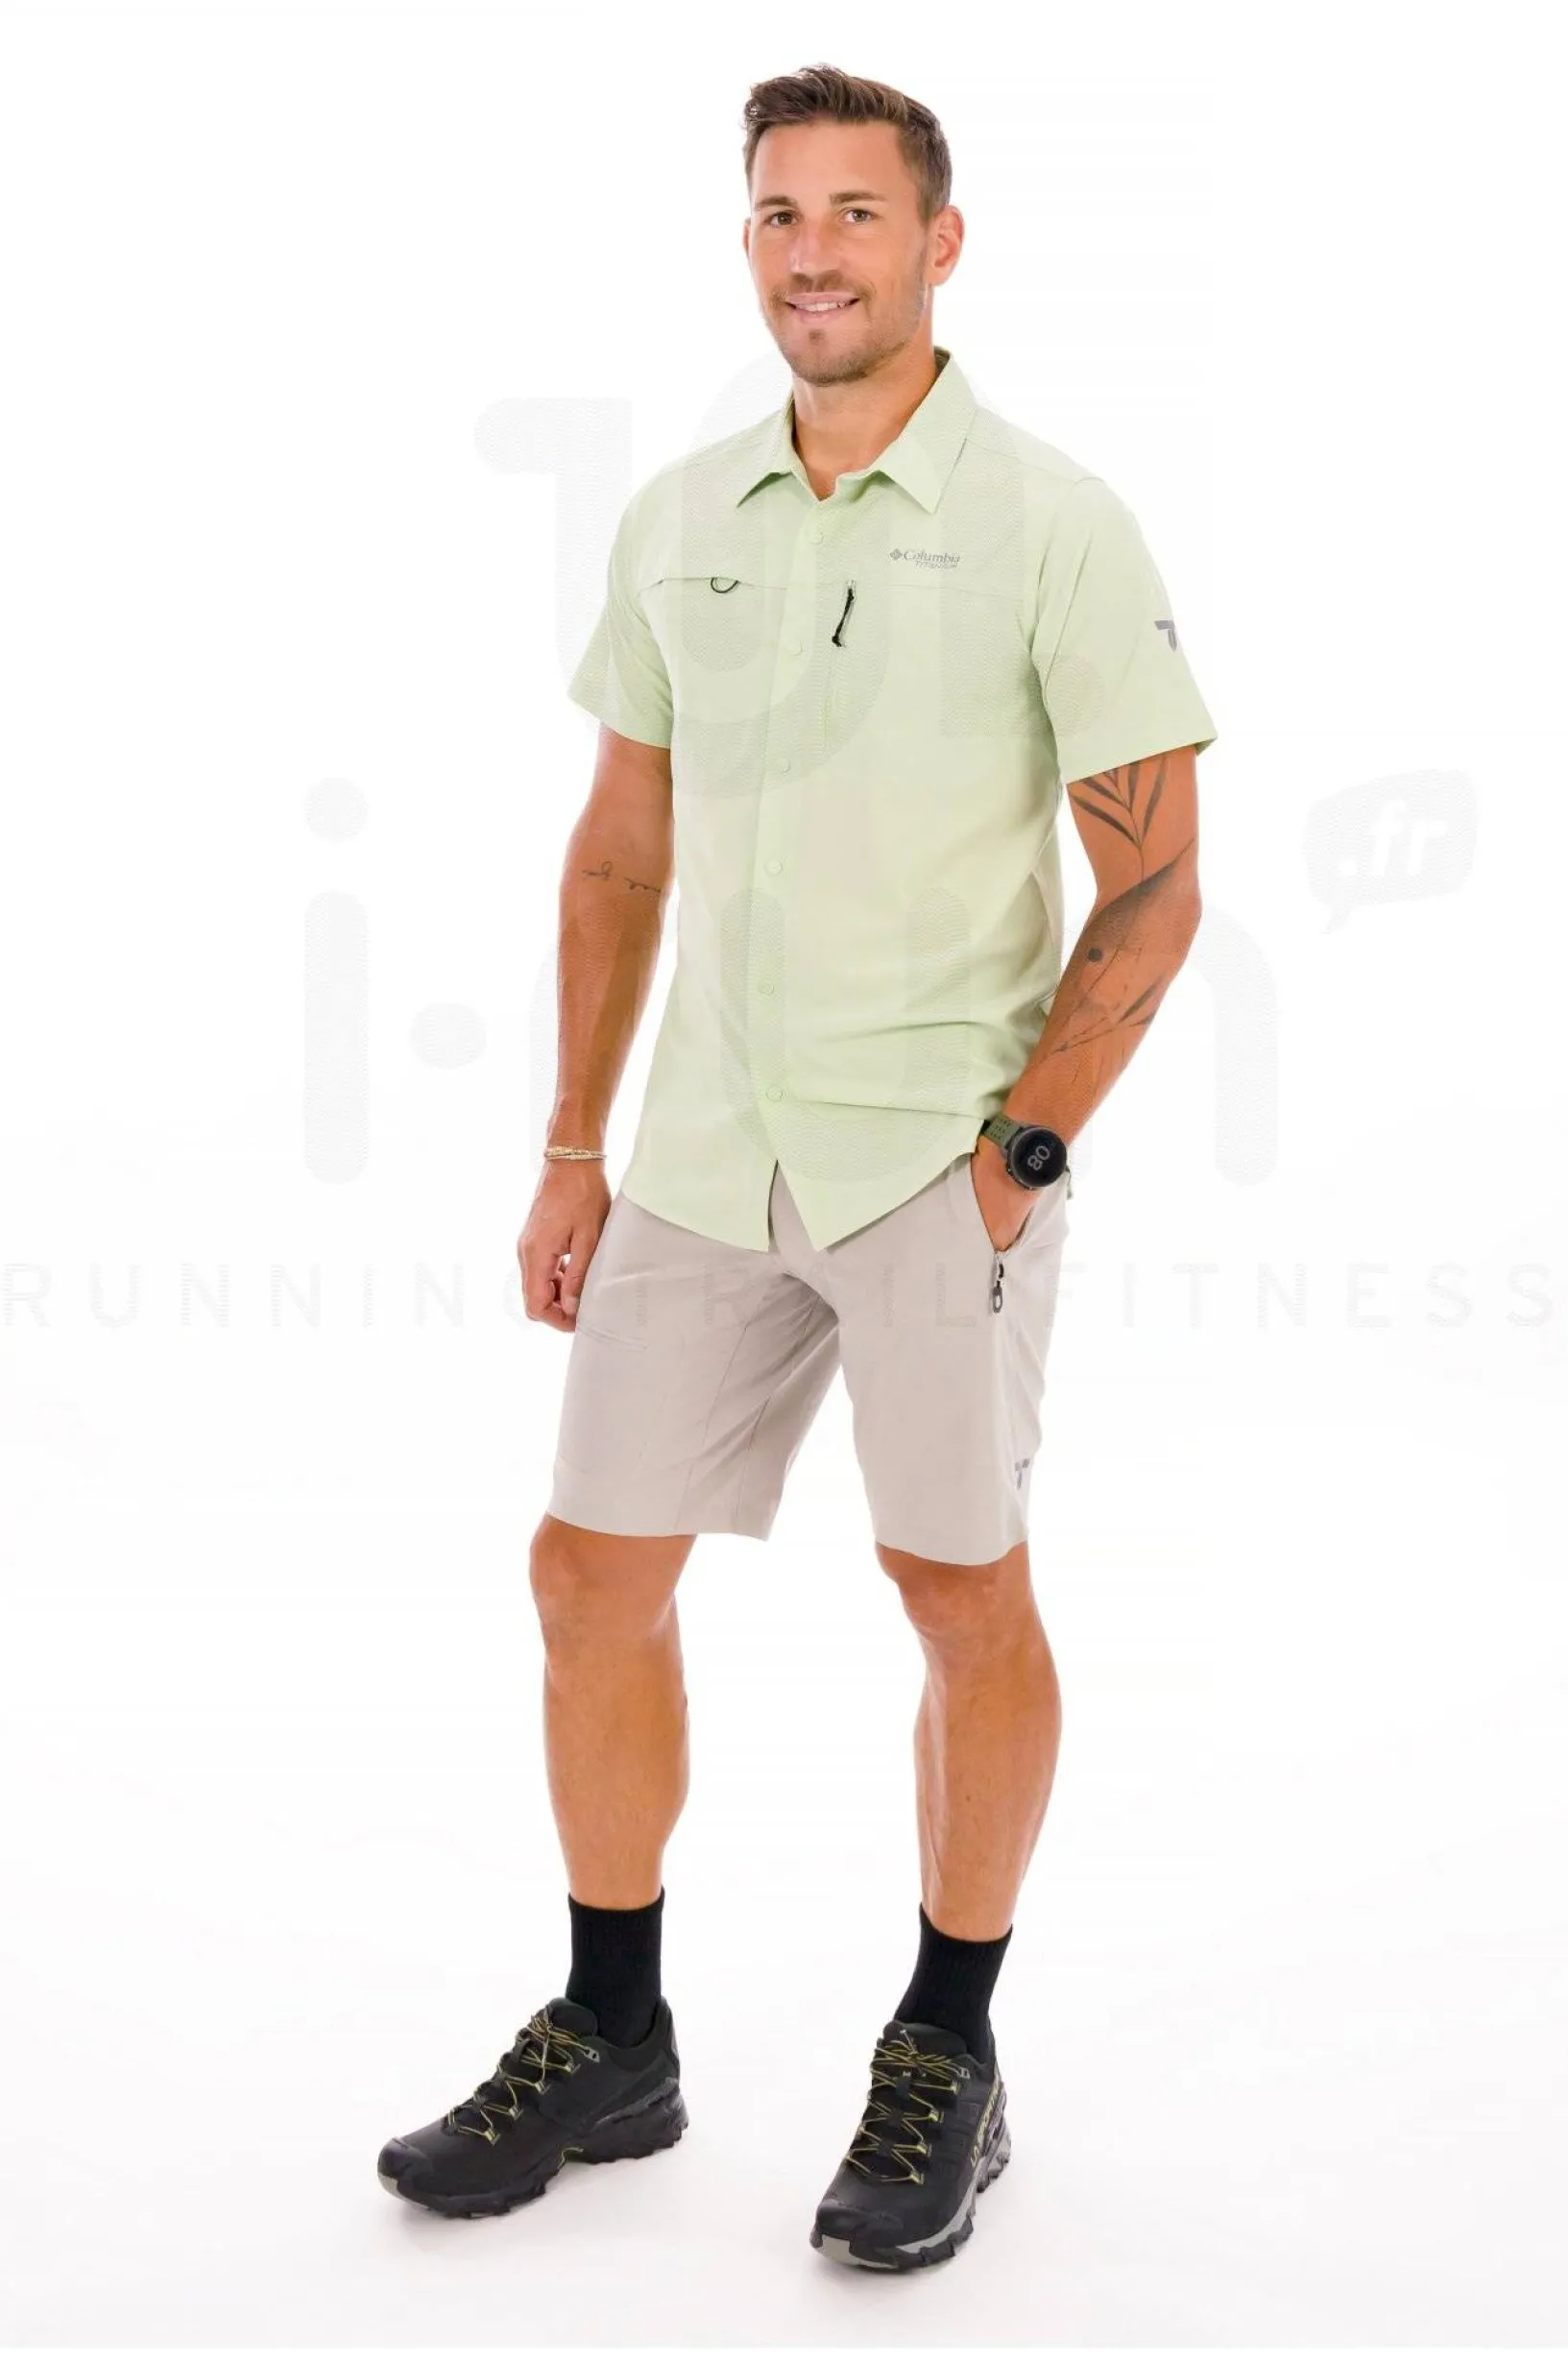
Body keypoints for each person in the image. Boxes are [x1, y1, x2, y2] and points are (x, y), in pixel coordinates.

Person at [378, 60, 1218, 2273]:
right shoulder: (683, 512)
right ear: (744, 240)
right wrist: (575, 1140)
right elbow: (620, 843)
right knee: (586, 1572)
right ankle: (614, 2025)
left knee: (955, 1593)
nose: (813, 252)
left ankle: (949, 2041)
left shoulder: (1052, 519)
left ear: (941, 243)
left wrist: (1023, 1146)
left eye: (856, 212)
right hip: (699, 1149)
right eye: (778, 212)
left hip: (933, 1156)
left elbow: (1155, 880)